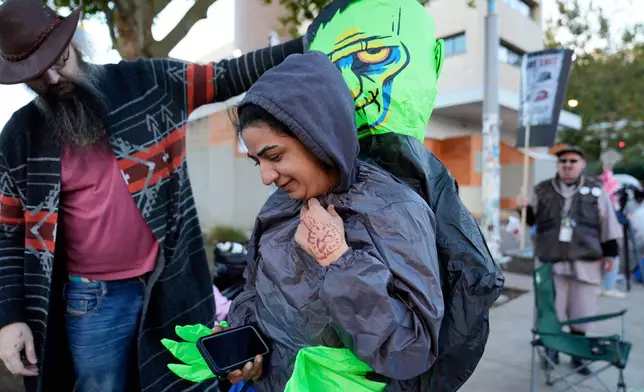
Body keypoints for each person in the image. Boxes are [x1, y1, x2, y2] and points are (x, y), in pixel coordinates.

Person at [0, 0, 305, 391]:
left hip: (171, 283)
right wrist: (10, 317)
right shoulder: (18, 138)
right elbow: (8, 236)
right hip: (92, 299)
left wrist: (315, 38)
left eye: (61, 60)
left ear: (76, 43)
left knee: (182, 382)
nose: (56, 78)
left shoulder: (149, 83)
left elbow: (228, 74)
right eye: (40, 76)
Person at [222, 51, 444, 391]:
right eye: (257, 163)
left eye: (275, 156)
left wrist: (338, 259)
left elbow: (412, 347)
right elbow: (255, 290)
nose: (266, 176)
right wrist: (247, 352)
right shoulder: (279, 205)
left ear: (318, 135)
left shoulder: (397, 211)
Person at [516, 146, 622, 375]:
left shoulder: (596, 190)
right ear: (558, 165)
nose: (567, 164)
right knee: (552, 311)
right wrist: (522, 208)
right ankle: (552, 349)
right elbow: (531, 222)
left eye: (573, 160)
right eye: (563, 160)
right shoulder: (542, 189)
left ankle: (577, 353)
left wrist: (611, 253)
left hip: (585, 261)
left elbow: (608, 223)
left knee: (581, 311)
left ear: (582, 164)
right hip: (551, 261)